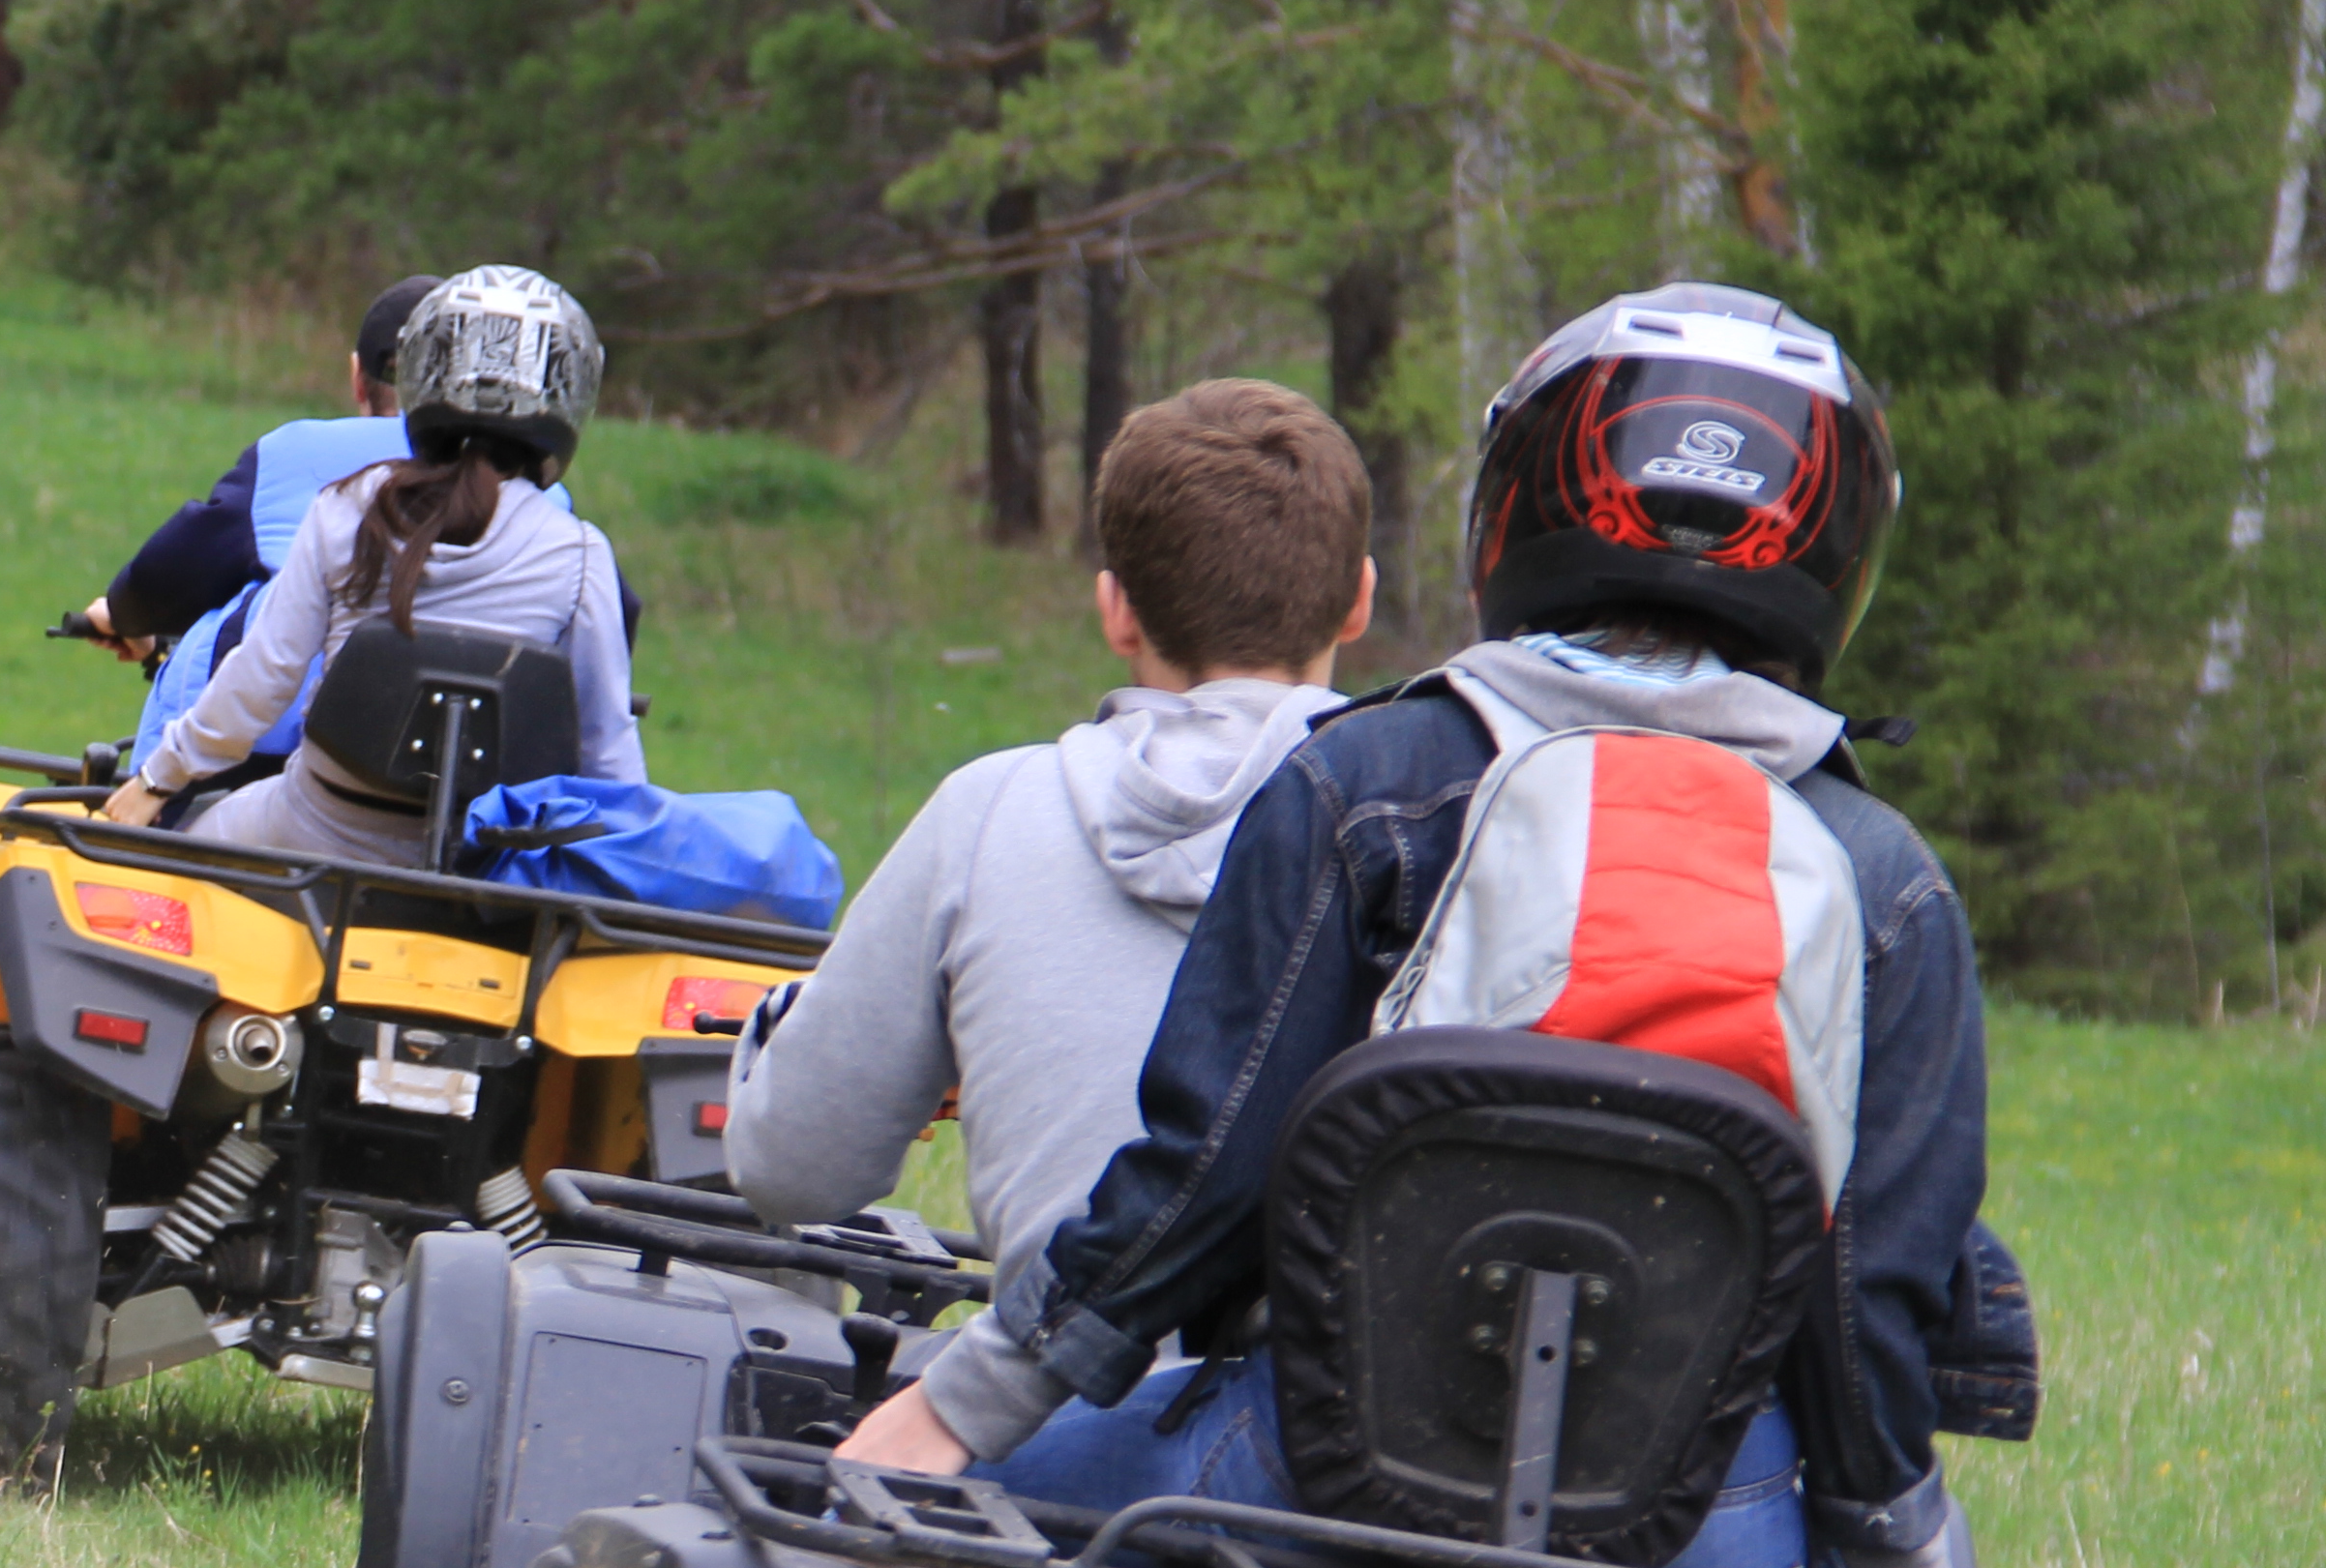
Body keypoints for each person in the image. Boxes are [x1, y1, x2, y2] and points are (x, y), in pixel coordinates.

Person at [838, 283, 2037, 1568]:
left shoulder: (1366, 782)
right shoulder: (1887, 882)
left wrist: (949, 1416)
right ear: (1837, 548)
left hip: (1315, 1498)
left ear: (1519, 501)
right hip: (1712, 1553)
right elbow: (1867, 1297)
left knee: (907, 1543)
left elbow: (1203, 1181)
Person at [723, 380, 1376, 1262]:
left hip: (1048, 1391)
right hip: (1345, 1393)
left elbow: (792, 1168)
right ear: (1360, 599)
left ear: (1115, 609)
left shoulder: (986, 815)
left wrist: (785, 1023)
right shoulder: (1455, 827)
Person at [99, 265, 635, 868]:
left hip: (313, 829)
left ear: (424, 371)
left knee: (184, 848)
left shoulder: (348, 507)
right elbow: (605, 751)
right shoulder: (581, 554)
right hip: (481, 864)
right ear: (569, 397)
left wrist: (156, 781)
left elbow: (261, 680)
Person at [68, 277, 438, 671]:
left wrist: (123, 615)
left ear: (356, 378)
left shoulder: (293, 453)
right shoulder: (503, 481)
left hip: (281, 718)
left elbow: (167, 576)